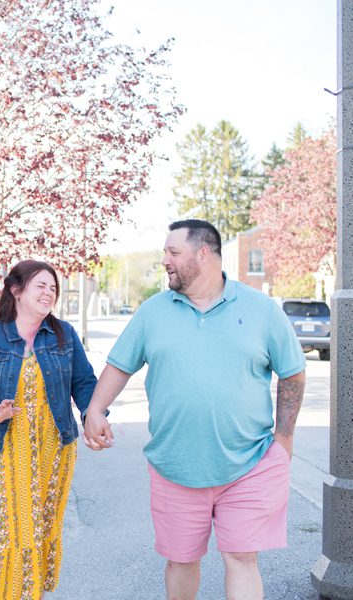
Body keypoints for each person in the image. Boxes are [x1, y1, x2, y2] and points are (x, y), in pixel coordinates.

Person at [83, 219, 306, 600]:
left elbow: (293, 374)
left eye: (173, 253)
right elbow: (120, 364)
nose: (165, 261)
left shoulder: (261, 310)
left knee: (241, 557)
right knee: (181, 560)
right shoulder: (153, 312)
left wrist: (284, 438)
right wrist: (95, 409)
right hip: (175, 464)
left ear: (203, 254)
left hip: (249, 462)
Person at [0, 259, 98, 600]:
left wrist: (93, 416)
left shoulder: (64, 335)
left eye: (53, 287)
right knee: (4, 533)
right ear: (16, 290)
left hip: (52, 450)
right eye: (41, 285)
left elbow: (85, 382)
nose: (49, 293)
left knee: (39, 532)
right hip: (1, 446)